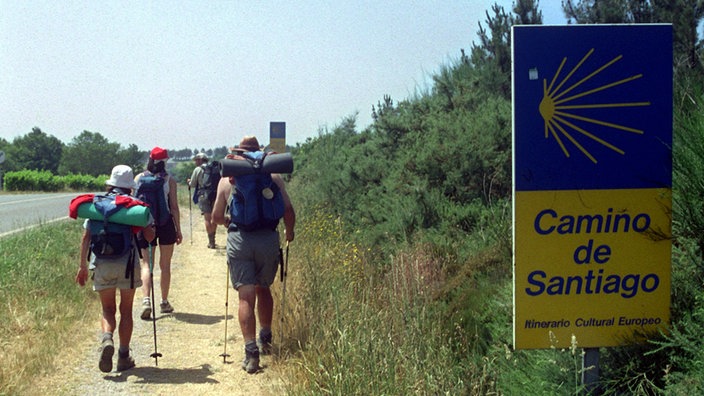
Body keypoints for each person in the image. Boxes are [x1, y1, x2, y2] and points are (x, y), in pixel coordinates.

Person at [212, 135, 295, 374]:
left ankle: (251, 354)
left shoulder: (228, 178)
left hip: (240, 239)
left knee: (245, 297)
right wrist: (289, 232)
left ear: (237, 153)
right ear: (259, 152)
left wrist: (229, 221)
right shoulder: (273, 175)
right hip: (268, 238)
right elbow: (288, 210)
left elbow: (216, 217)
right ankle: (265, 338)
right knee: (264, 288)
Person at [75, 165, 156, 373]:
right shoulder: (133, 206)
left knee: (107, 309)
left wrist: (82, 266)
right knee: (126, 311)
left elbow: (86, 237)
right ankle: (123, 355)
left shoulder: (97, 206)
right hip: (127, 264)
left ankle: (107, 339)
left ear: (109, 185)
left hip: (101, 263)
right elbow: (149, 237)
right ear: (130, 187)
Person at [135, 147, 183, 320]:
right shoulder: (169, 180)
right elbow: (174, 208)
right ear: (164, 161)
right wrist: (178, 229)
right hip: (166, 224)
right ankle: (163, 301)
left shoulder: (139, 178)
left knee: (147, 264)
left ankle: (146, 300)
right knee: (165, 265)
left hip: (146, 224)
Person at [187, 152, 218, 248]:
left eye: (196, 160)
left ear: (200, 160)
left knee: (207, 218)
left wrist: (189, 182)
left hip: (203, 195)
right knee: (214, 218)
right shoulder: (214, 168)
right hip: (214, 194)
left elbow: (192, 184)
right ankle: (213, 239)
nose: (195, 162)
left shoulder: (198, 169)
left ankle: (211, 242)